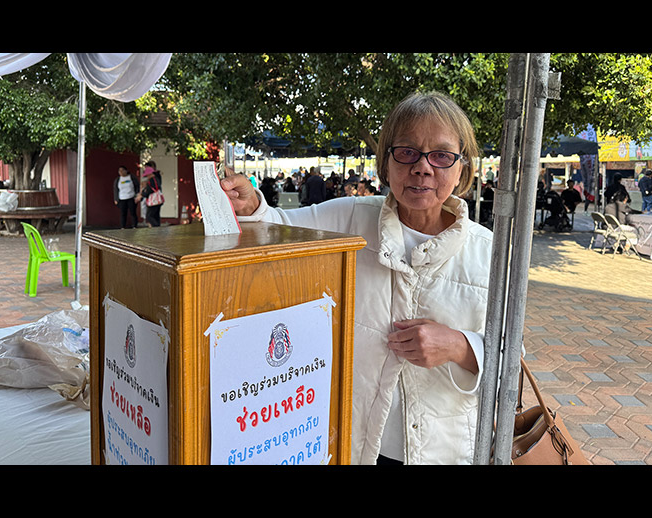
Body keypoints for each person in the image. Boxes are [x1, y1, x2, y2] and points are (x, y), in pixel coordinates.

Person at [220, 91, 491, 465]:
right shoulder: (350, 217)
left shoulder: (488, 251)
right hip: (357, 443)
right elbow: (279, 226)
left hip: (447, 451)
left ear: (462, 167)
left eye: (442, 156)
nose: (422, 167)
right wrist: (251, 205)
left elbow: (511, 360)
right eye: (407, 152)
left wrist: (460, 346)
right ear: (386, 162)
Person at [136, 162, 163, 227]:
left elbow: (149, 190)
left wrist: (142, 195)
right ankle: (157, 228)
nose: (147, 176)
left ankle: (156, 227)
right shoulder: (156, 178)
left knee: (149, 216)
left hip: (153, 200)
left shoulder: (152, 180)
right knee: (156, 215)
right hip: (158, 200)